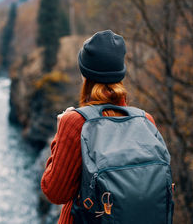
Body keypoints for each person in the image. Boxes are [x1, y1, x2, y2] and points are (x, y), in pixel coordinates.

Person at [41, 30, 157, 224]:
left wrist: (60, 134)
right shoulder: (146, 121)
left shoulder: (75, 123)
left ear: (85, 76)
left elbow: (54, 192)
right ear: (120, 74)